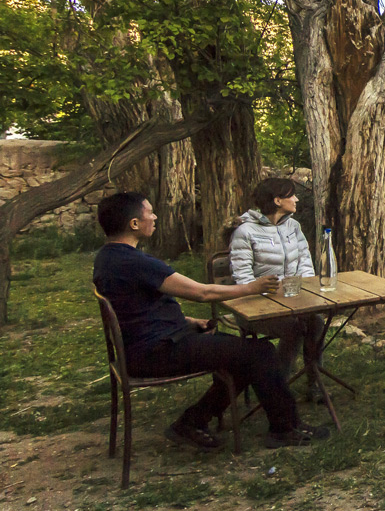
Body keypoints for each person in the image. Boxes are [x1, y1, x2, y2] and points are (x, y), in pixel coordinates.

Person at [92, 191, 328, 449]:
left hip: (146, 346)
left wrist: (188, 322)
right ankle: (285, 428)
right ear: (134, 224)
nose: (155, 216)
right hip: (155, 353)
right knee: (259, 352)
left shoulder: (108, 257)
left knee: (242, 357)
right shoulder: (135, 262)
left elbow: (138, 308)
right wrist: (252, 288)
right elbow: (202, 292)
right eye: (149, 212)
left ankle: (192, 421)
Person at [227, 178, 324, 386]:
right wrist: (272, 297)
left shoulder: (293, 226)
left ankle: (315, 384)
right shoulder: (245, 231)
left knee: (316, 322)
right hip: (255, 307)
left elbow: (305, 261)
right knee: (294, 328)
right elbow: (243, 278)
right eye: (292, 195)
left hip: (293, 301)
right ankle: (277, 386)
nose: (297, 199)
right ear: (278, 200)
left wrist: (304, 289)